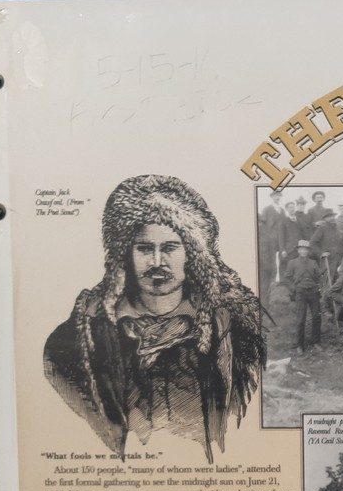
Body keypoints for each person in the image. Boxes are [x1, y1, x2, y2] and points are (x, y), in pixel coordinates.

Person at [43, 174, 263, 462]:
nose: (157, 262)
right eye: (145, 248)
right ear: (124, 254)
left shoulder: (236, 335)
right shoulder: (73, 343)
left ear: (194, 255)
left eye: (170, 248)